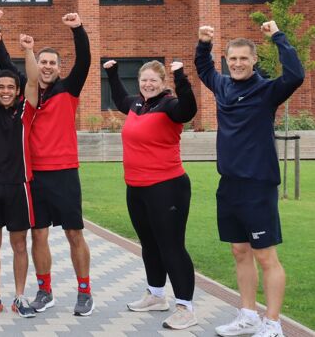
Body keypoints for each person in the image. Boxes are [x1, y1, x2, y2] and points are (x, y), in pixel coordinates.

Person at [196, 21, 304, 337]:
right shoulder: (223, 86)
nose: (238, 63)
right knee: (239, 251)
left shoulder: (267, 90)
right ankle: (248, 315)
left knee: (265, 256)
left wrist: (278, 37)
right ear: (227, 61)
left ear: (254, 60)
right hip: (229, 184)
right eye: (233, 58)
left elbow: (296, 75)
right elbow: (204, 69)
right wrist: (204, 43)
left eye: (244, 58)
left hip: (258, 184)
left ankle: (273, 323)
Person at [0, 9, 94, 316]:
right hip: (33, 175)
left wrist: (78, 29)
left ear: (59, 68)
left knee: (74, 233)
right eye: (42, 62)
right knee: (38, 234)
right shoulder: (28, 90)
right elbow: (5, 63)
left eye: (51, 63)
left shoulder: (69, 88)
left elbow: (85, 60)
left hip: (64, 173)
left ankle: (84, 291)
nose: (46, 67)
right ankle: (44, 290)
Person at [104, 59, 199, 330]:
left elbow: (188, 110)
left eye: (153, 80)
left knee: (171, 247)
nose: (148, 84)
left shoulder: (170, 105)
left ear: (163, 83)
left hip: (167, 187)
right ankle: (157, 295)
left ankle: (186, 308)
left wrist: (181, 77)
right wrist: (112, 73)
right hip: (136, 187)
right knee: (149, 244)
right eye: (144, 80)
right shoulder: (137, 104)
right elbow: (120, 98)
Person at [0, 28, 39, 318]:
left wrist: (29, 51)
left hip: (19, 186)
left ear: (17, 90)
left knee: (19, 244)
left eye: (10, 87)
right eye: (0, 87)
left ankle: (21, 297)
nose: (4, 91)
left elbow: (34, 81)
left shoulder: (26, 111)